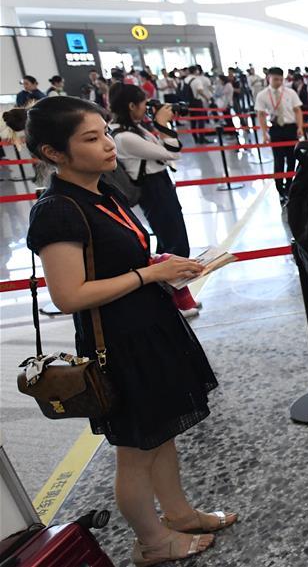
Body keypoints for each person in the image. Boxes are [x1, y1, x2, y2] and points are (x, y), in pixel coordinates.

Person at [22, 96, 235, 566]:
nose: (108, 145)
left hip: (149, 327)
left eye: (105, 132)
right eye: (91, 138)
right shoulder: (58, 209)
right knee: (136, 450)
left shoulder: (103, 192)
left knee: (162, 434)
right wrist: (149, 274)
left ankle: (178, 514)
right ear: (54, 152)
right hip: (117, 342)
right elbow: (69, 295)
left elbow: (119, 259)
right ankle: (152, 542)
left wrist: (162, 265)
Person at [108, 84, 192, 265]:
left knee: (167, 236)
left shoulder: (130, 129)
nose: (146, 108)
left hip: (158, 182)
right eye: (143, 104)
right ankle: (173, 278)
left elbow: (164, 149)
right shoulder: (125, 136)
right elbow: (172, 152)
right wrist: (162, 123)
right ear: (131, 106)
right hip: (153, 187)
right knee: (176, 243)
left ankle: (165, 276)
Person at [255, 67, 303, 204]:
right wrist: (264, 133)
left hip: (290, 128)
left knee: (292, 159)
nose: (278, 82)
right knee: (279, 160)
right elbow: (261, 114)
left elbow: (297, 110)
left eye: (281, 79)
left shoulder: (290, 92)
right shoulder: (262, 95)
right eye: (275, 79)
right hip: (276, 129)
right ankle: (280, 189)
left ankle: (289, 186)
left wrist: (300, 127)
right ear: (268, 78)